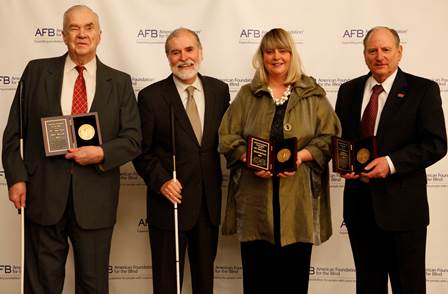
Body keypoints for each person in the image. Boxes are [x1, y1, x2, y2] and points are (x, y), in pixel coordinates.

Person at [2, 5, 142, 293]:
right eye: (74, 28)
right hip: (42, 196)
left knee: (93, 286)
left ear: (100, 35)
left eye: (89, 27)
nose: (82, 34)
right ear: (63, 35)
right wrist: (16, 177)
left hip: (95, 201)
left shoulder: (119, 82)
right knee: (41, 285)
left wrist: (101, 153)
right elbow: (13, 134)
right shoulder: (36, 72)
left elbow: (132, 139)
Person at [219, 28, 341, 294]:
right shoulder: (247, 95)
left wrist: (301, 157)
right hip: (255, 204)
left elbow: (329, 137)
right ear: (262, 56)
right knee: (257, 282)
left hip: (297, 203)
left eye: (282, 50)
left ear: (291, 54)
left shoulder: (313, 94)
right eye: (269, 51)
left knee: (293, 282)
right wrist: (250, 159)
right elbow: (227, 136)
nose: (276, 57)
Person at [335, 26, 447, 294]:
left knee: (408, 288)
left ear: (399, 52)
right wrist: (344, 164)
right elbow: (342, 142)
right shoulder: (348, 90)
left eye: (386, 49)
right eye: (372, 50)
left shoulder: (423, 90)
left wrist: (391, 163)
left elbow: (436, 144)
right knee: (368, 287)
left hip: (404, 212)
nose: (379, 56)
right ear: (364, 55)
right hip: (360, 209)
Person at [133, 27, 230, 294]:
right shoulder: (151, 97)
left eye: (189, 50)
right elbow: (141, 151)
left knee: (204, 284)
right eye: (176, 52)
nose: (183, 57)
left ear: (200, 52)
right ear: (168, 57)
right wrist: (162, 181)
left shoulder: (219, 91)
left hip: (208, 205)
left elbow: (229, 140)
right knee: (167, 284)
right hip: (169, 205)